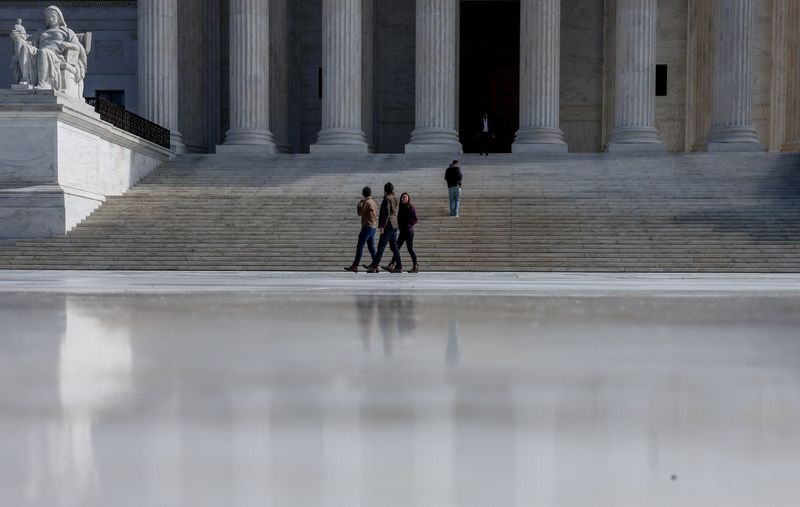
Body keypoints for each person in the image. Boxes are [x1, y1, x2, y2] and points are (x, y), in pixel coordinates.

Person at [12, 6, 88, 93]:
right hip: (39, 52)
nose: (50, 18)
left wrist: (67, 45)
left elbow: (78, 47)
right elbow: (30, 43)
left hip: (57, 55)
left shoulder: (67, 32)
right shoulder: (40, 32)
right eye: (48, 17)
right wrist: (20, 36)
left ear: (59, 17)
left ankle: (44, 83)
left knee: (43, 52)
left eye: (53, 16)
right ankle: (26, 79)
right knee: (25, 48)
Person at [364, 182, 401, 273]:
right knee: (394, 247)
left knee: (381, 246)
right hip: (394, 225)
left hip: (388, 226)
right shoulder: (395, 198)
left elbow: (386, 213)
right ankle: (399, 266)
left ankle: (374, 265)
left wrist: (382, 226)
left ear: (385, 190)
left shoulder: (387, 199)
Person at [344, 186, 378, 273]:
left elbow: (360, 213)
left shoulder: (366, 202)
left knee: (360, 245)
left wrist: (359, 203)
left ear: (363, 194)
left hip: (367, 227)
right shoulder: (373, 202)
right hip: (373, 227)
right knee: (371, 247)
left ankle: (355, 265)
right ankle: (375, 266)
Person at [397, 192, 419, 273]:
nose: (404, 198)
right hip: (402, 231)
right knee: (396, 247)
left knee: (410, 249)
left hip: (409, 232)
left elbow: (415, 219)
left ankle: (415, 266)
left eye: (406, 197)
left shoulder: (411, 206)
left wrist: (409, 225)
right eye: (403, 197)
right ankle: (393, 265)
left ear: (408, 198)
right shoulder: (401, 207)